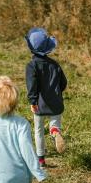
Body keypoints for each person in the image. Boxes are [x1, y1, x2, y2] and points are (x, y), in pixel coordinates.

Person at [25, 27, 68, 167]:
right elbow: (63, 83)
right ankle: (55, 132)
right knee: (54, 124)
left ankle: (41, 159)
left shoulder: (32, 66)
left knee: (38, 131)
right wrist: (56, 93)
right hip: (55, 103)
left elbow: (32, 85)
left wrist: (32, 100)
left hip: (39, 104)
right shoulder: (55, 65)